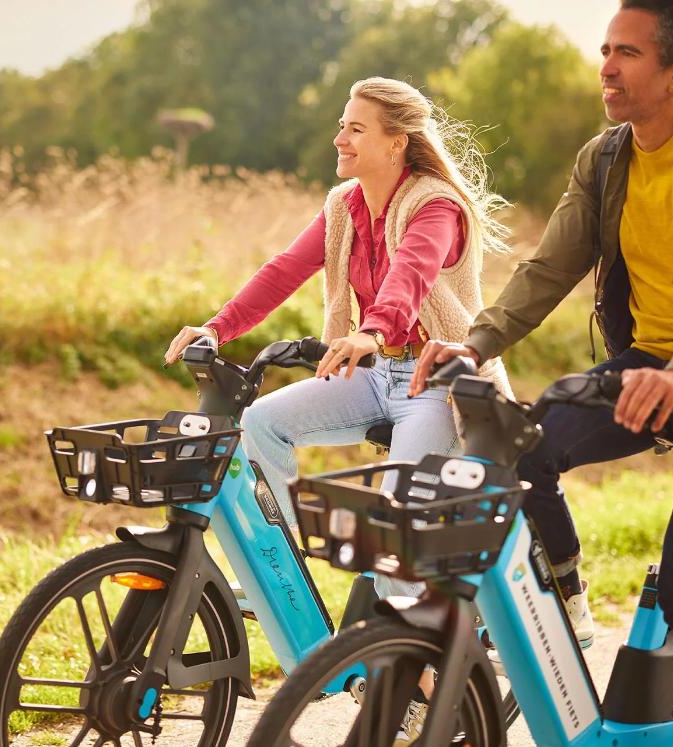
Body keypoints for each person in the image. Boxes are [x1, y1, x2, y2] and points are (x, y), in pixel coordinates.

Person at [411, 2, 673, 744]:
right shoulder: (605, 159)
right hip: (645, 364)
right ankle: (566, 596)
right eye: (604, 49)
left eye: (627, 52)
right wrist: (477, 340)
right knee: (525, 449)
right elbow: (549, 265)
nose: (607, 66)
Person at [163, 75, 514, 604]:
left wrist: (372, 329)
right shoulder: (343, 205)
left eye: (356, 128)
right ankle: (283, 571)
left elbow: (410, 274)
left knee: (393, 538)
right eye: (341, 126)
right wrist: (217, 327)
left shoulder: (435, 205)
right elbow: (284, 270)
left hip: (438, 383)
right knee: (262, 422)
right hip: (375, 376)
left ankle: (414, 667)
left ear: (396, 142)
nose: (340, 139)